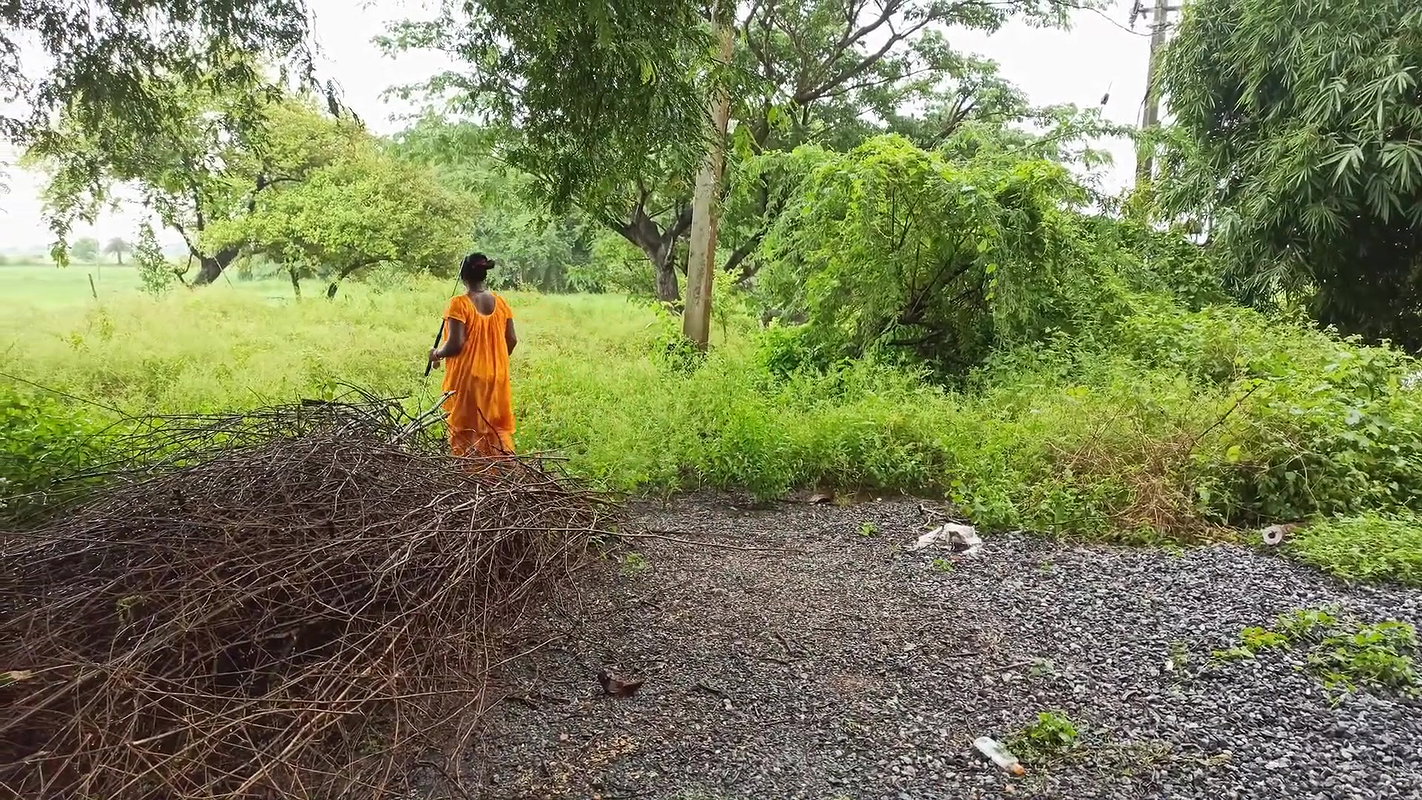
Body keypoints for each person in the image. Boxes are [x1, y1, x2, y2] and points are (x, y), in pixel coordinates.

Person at [428, 253, 518, 457]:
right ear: (484, 274)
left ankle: (470, 472)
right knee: (495, 426)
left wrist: (436, 354)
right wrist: (496, 361)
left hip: (468, 378)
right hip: (497, 377)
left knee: (467, 428)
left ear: (463, 276)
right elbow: (512, 339)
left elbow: (455, 344)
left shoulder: (459, 303)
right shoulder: (501, 302)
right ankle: (500, 470)